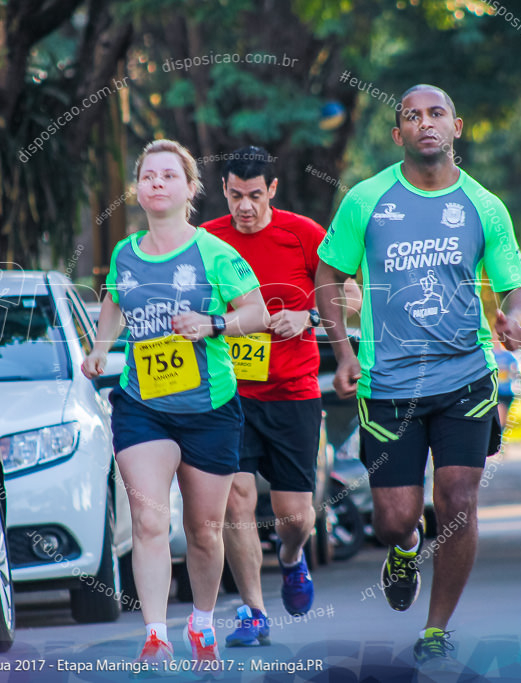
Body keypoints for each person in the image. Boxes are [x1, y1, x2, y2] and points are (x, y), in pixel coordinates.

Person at [315, 84, 521, 668]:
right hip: (388, 384)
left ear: (456, 126)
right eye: (413, 116)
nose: (425, 123)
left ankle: (436, 628)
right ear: (398, 134)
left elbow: (517, 284)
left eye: (436, 114)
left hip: (466, 375)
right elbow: (327, 275)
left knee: (458, 500)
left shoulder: (485, 205)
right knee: (393, 519)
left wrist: (512, 319)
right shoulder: (366, 199)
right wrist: (344, 352)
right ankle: (406, 549)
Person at [81, 139, 268, 668]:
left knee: (205, 530)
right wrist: (99, 348)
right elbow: (114, 300)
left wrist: (213, 324)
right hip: (144, 404)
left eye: (169, 175)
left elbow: (254, 311)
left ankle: (202, 621)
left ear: (190, 189)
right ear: (137, 189)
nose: (156, 182)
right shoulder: (124, 253)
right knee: (147, 518)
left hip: (210, 407)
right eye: (148, 175)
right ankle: (156, 633)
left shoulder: (214, 252)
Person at [202, 147, 326, 646]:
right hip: (228, 393)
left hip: (294, 390)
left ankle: (292, 558)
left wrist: (308, 317)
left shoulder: (304, 234)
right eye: (235, 195)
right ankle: (253, 612)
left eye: (255, 195)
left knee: (294, 514)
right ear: (225, 191)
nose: (245, 207)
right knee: (237, 499)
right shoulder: (207, 239)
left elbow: (353, 295)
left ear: (272, 190)